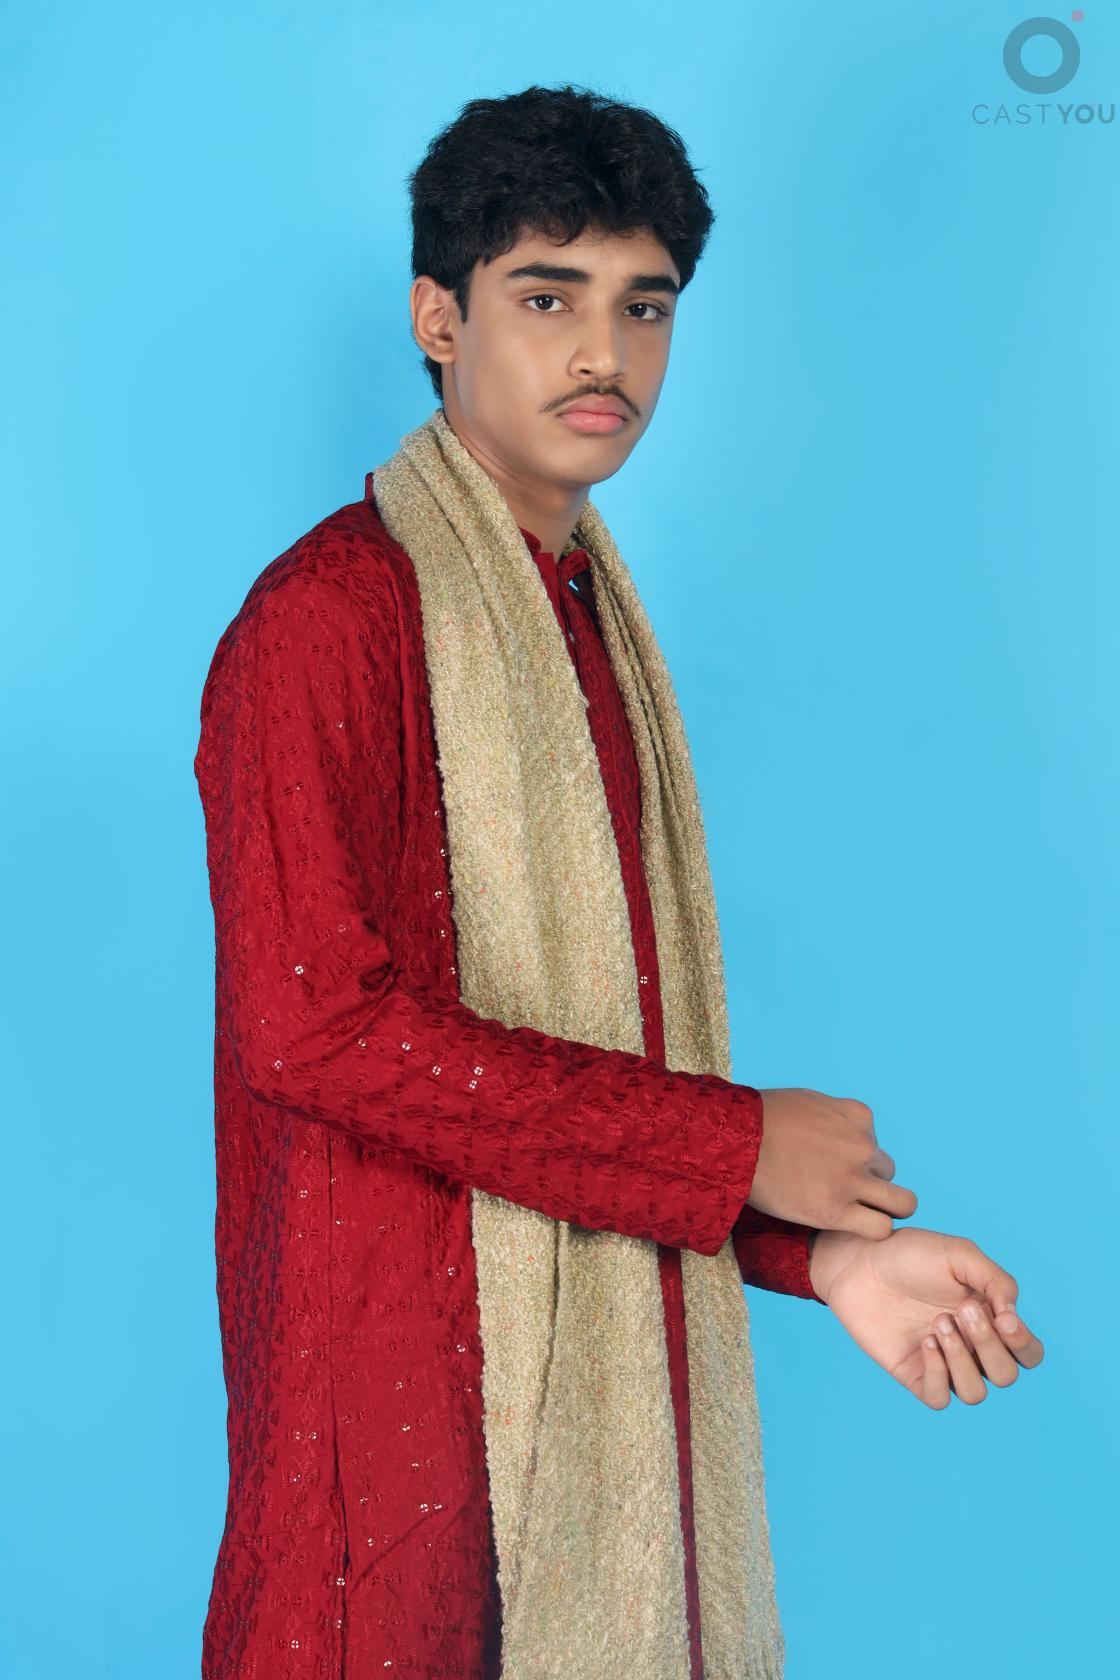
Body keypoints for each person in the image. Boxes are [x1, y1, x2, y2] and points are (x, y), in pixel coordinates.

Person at [192, 82, 1043, 1680]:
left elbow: (567, 1083)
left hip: (581, 1433)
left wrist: (819, 1253)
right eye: (548, 297)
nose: (606, 354)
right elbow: (318, 1032)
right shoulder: (328, 623)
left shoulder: (586, 621)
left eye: (643, 306)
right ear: (438, 318)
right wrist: (737, 1142)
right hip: (391, 1451)